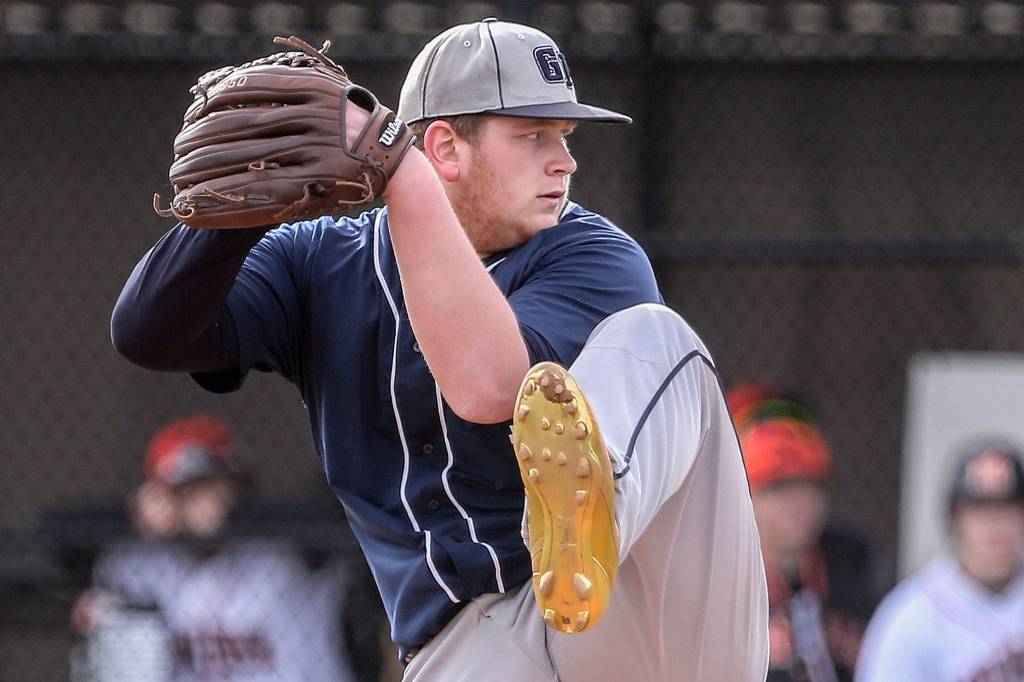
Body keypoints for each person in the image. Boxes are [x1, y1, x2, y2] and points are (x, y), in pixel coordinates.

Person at [111, 18, 768, 681]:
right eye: (534, 135)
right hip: (469, 647)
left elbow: (490, 386)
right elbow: (147, 333)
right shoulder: (320, 263)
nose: (565, 160)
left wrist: (406, 177)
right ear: (448, 147)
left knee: (659, 337)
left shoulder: (593, 254)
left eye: (564, 137)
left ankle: (598, 507)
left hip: (642, 613)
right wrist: (235, 212)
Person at [71, 415, 357, 682]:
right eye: (186, 490)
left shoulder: (287, 550)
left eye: (212, 484)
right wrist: (131, 515)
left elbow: (334, 510)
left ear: (238, 483)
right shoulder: (139, 562)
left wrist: (236, 516)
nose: (203, 501)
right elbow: (52, 538)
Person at [729, 383, 877, 682]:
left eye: (810, 485)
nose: (798, 503)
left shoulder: (854, 568)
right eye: (778, 487)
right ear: (747, 497)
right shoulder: (722, 579)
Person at [855, 442, 1024, 682]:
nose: (994, 526)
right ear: (956, 521)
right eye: (980, 511)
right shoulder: (910, 617)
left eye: (1007, 509)